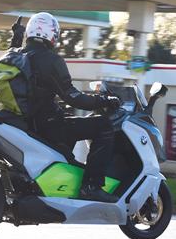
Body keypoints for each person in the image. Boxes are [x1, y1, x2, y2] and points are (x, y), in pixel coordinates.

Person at [11, 12, 121, 203]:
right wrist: (104, 100)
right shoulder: (51, 60)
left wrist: (16, 38)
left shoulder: (17, 56)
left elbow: (13, 57)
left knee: (71, 120)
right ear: (53, 35)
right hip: (49, 127)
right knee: (103, 126)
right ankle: (91, 186)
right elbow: (74, 98)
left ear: (29, 32)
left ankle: (64, 173)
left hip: (26, 124)